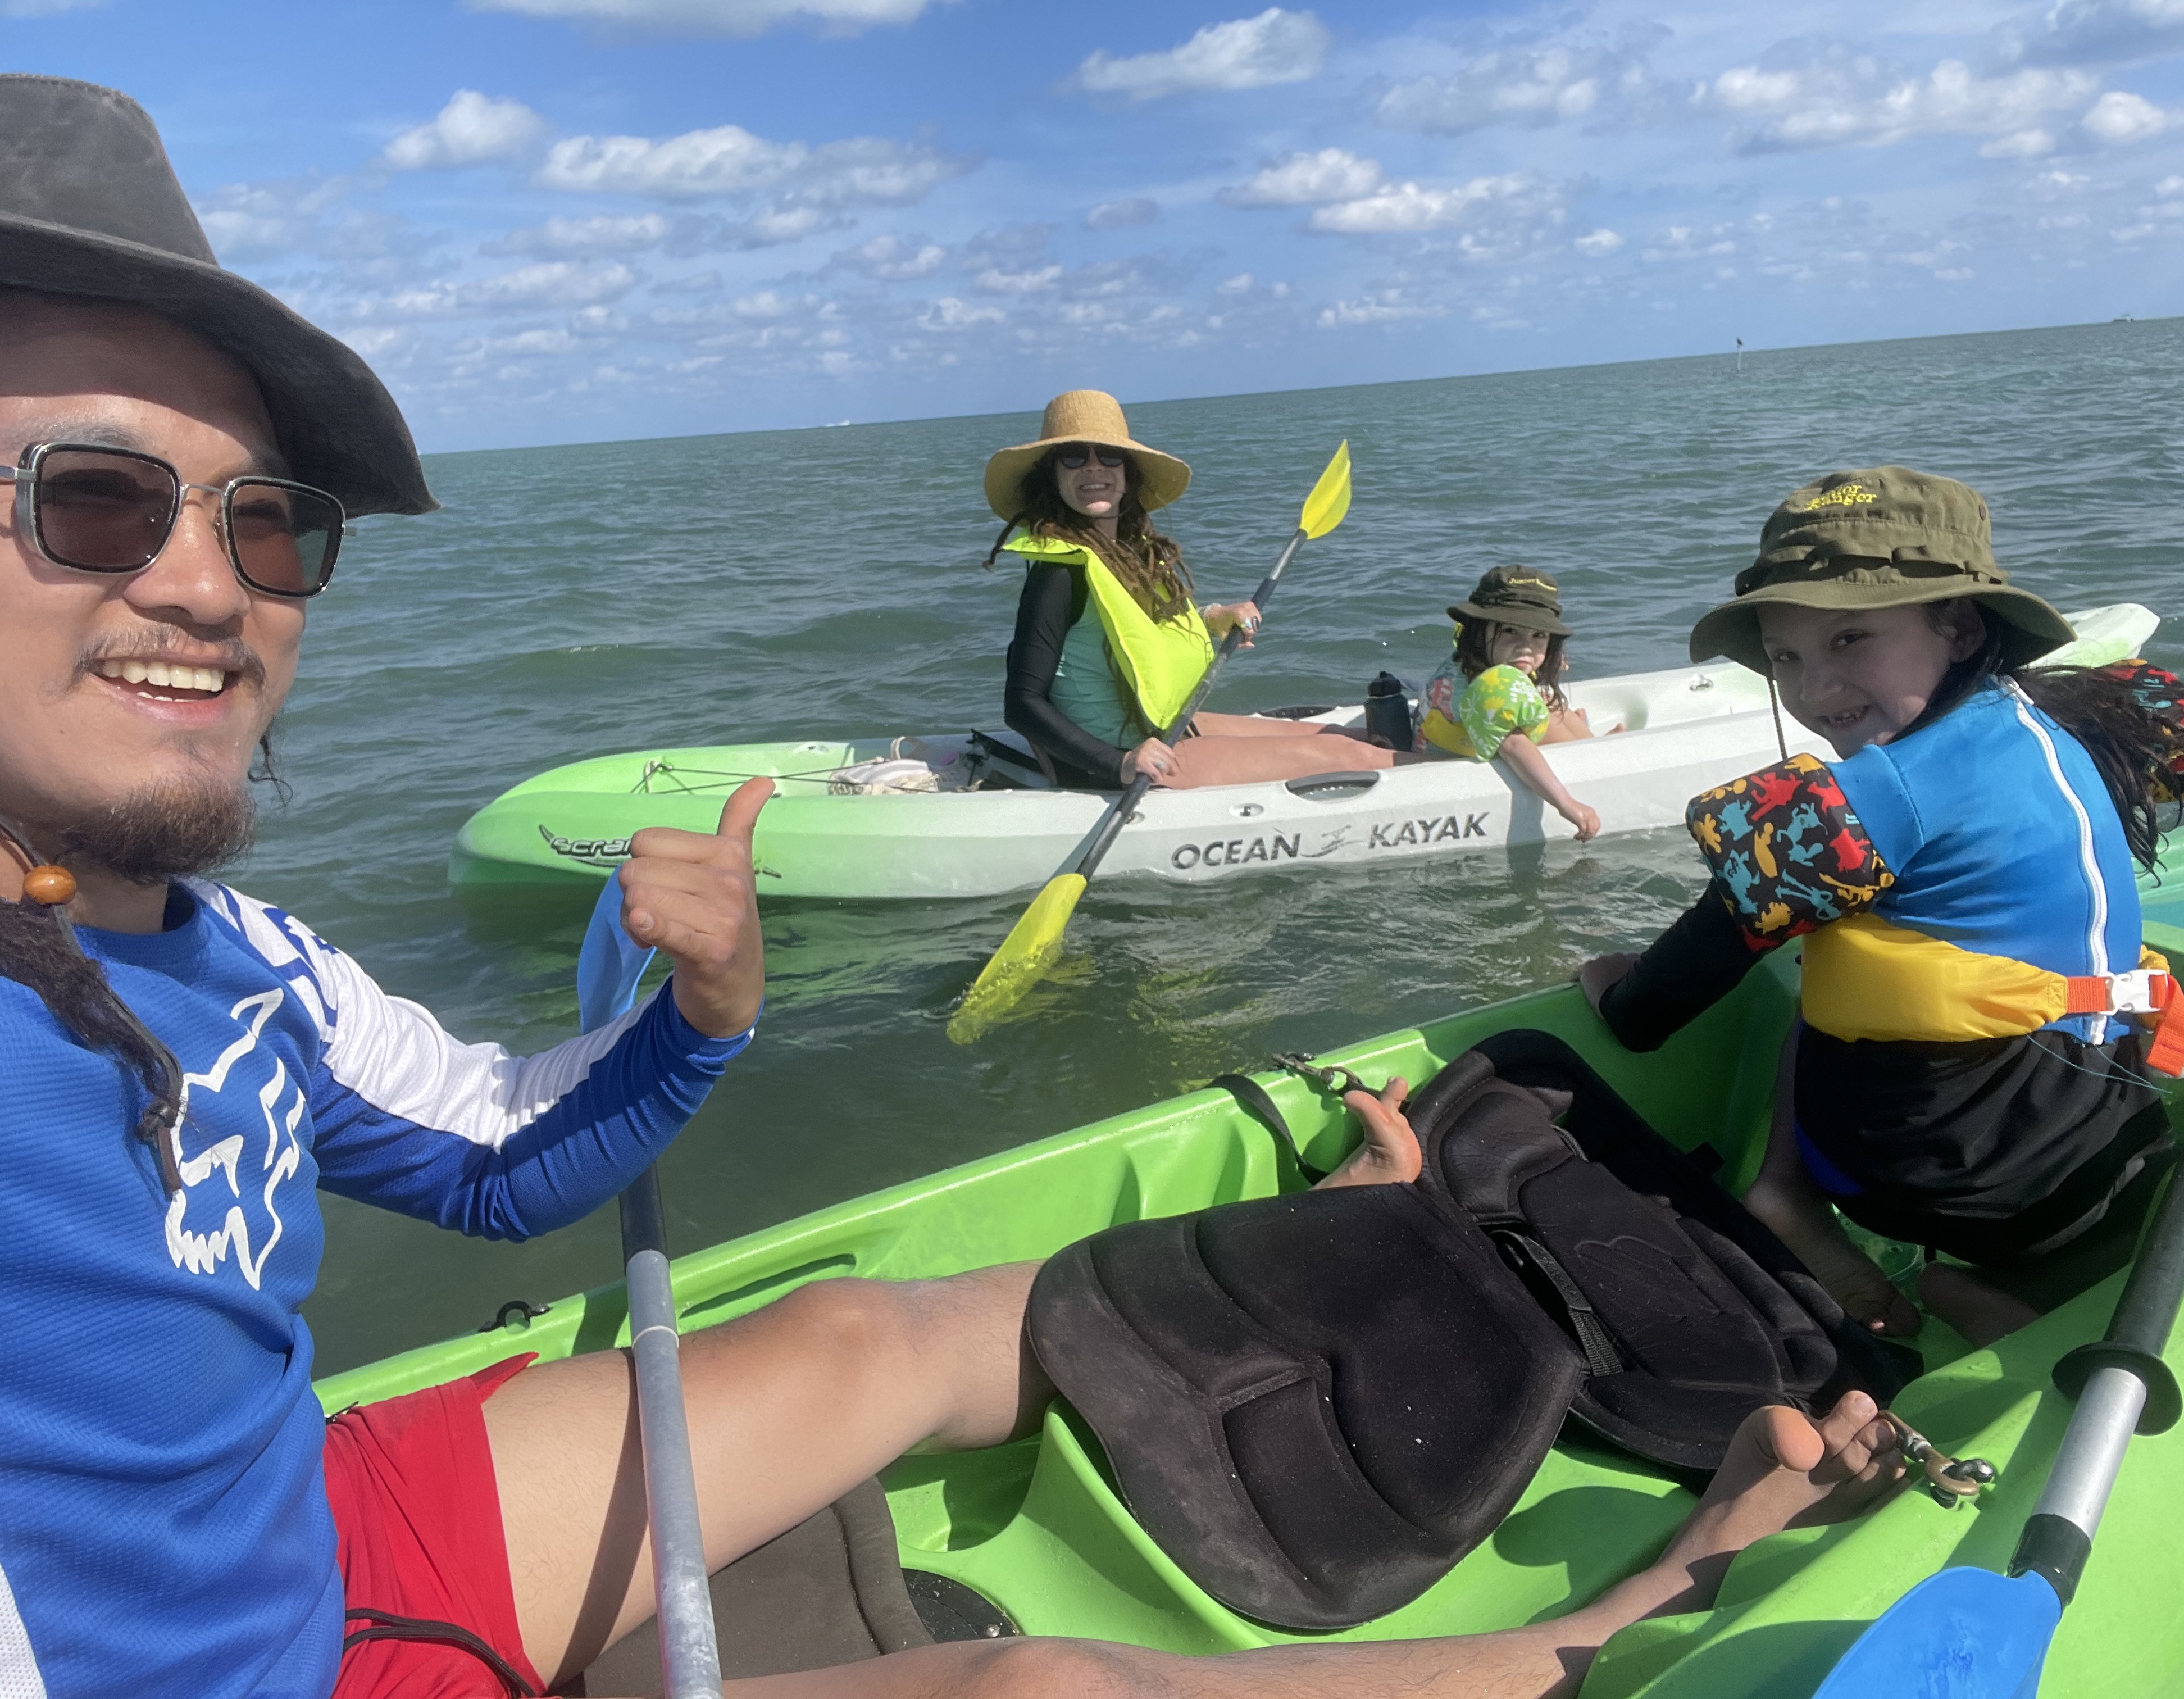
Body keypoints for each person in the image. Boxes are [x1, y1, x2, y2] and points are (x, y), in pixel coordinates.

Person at [0, 77, 1918, 1699]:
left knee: (867, 1330)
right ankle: (1610, 1628)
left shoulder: (231, 953)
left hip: (290, 1511)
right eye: (93, 497)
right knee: (1034, 1688)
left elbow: (499, 1162)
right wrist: (1126, 763)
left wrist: (703, 1014)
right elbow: (1053, 706)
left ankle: (1339, 1240)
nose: (206, 584)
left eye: (265, 519)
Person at [1579, 466, 2184, 1348]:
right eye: (1786, 657)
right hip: (2005, 1181)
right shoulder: (2097, 713)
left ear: (1962, 626)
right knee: (2141, 1202)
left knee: (1836, 937)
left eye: (1850, 639)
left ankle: (1787, 1190)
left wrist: (1618, 998)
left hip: (1891, 1158)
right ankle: (2009, 1298)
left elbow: (1683, 975)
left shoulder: (1867, 803)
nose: (1815, 690)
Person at [990, 390, 1399, 790]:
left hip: (1159, 728)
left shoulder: (1127, 553)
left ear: (1128, 475)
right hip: (1117, 758)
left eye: (1109, 456)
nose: (1093, 469)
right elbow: (1022, 703)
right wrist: (1121, 764)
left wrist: (1215, 619)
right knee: (1351, 755)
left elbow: (1140, 635)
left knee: (1342, 735)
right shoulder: (1059, 574)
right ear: (1053, 477)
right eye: (1074, 457)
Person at [1416, 566, 1606, 840]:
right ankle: (1598, 752)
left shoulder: (1468, 660)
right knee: (1549, 712)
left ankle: (1593, 742)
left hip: (1445, 737)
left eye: (1539, 635)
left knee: (1549, 701)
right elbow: (1513, 746)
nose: (1526, 646)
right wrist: (1566, 804)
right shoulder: (1492, 686)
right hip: (1454, 762)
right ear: (1480, 631)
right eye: (1511, 630)